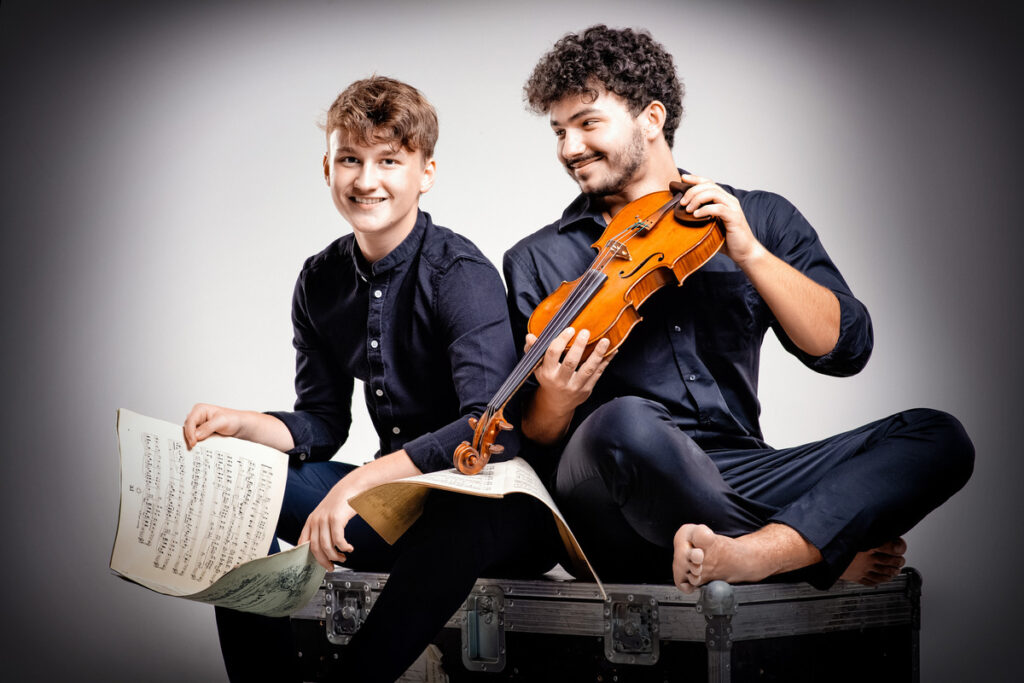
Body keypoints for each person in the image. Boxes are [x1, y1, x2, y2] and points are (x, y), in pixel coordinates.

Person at [503, 25, 974, 594]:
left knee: (937, 436)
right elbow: (530, 439)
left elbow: (845, 349)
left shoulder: (758, 217)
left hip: (737, 470)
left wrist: (749, 252)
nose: (569, 149)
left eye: (587, 123)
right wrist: (556, 399)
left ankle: (749, 553)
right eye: (559, 131)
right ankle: (805, 553)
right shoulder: (537, 259)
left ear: (651, 118)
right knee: (622, 422)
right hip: (614, 489)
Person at [184, 76, 558, 682]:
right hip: (396, 506)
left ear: (425, 173)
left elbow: (491, 429)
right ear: (327, 167)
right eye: (350, 159)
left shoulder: (459, 273)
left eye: (389, 160)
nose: (365, 180)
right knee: (236, 487)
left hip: (494, 509)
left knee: (459, 518)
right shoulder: (320, 280)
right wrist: (245, 425)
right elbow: (324, 422)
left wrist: (357, 483)